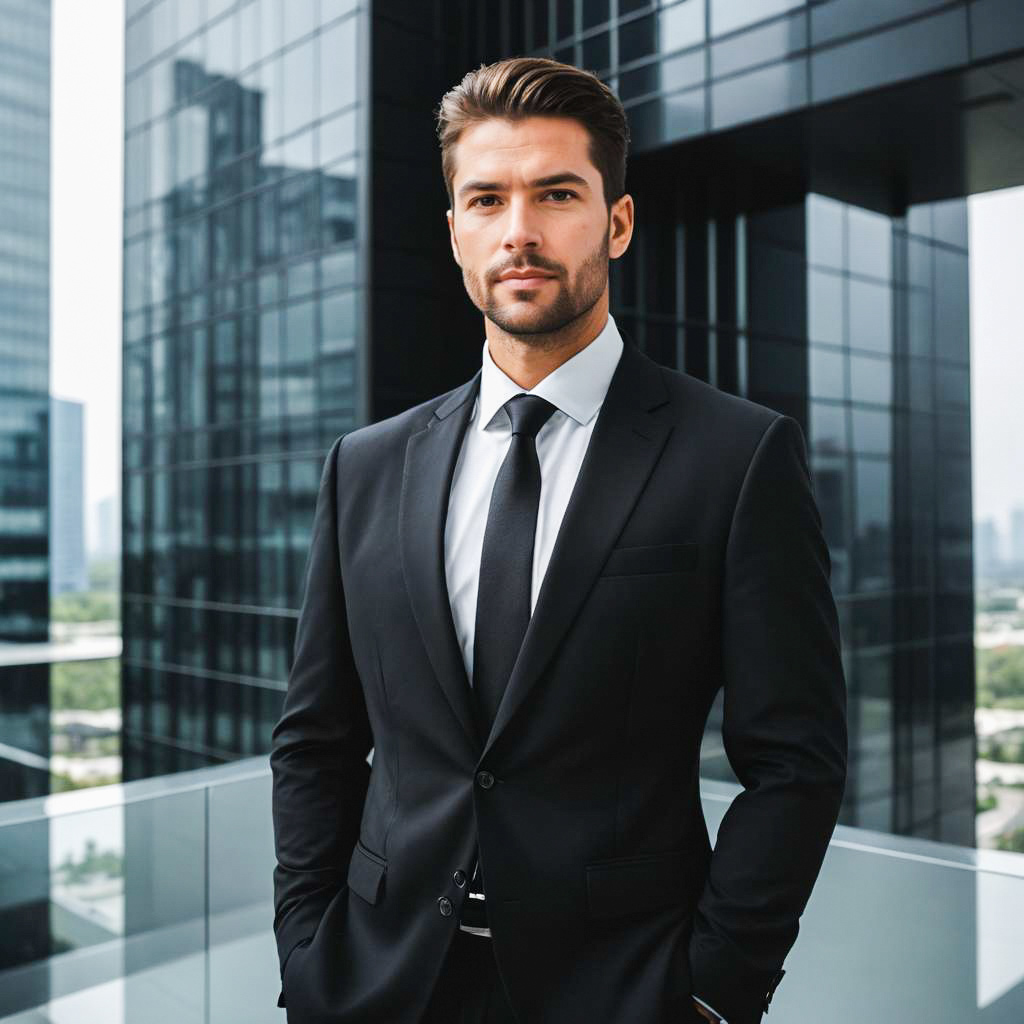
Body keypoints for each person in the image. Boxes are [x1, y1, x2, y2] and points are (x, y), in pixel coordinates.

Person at [270, 55, 848, 1024]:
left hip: (624, 988)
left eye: (556, 194)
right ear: (454, 229)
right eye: (486, 200)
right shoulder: (365, 463)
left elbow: (795, 760)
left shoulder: (736, 456)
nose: (519, 232)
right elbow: (317, 740)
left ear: (615, 221)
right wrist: (305, 949)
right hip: (378, 979)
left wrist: (712, 992)